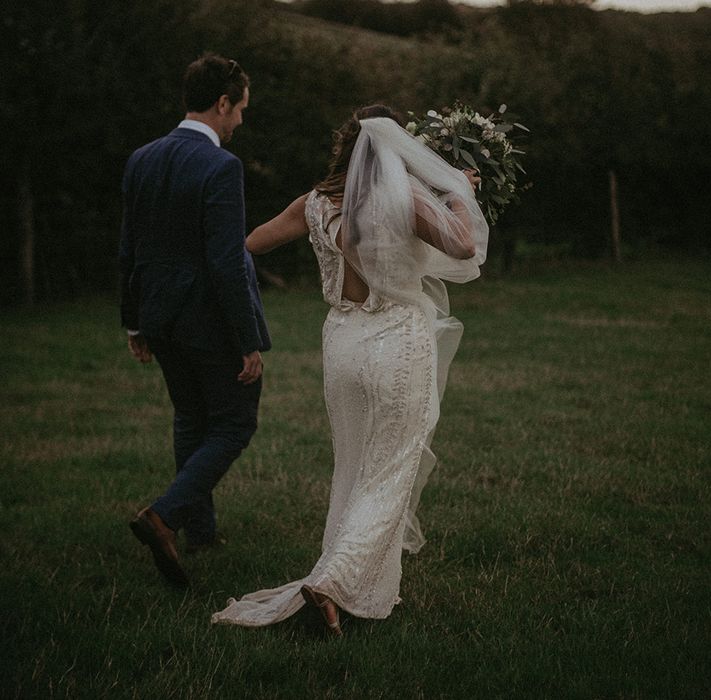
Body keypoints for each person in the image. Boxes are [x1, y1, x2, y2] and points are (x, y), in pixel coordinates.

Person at [211, 104, 488, 635]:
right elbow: (463, 244)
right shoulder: (405, 200)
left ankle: (355, 587)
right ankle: (334, 581)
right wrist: (458, 189)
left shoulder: (312, 204)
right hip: (396, 343)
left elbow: (247, 245)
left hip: (341, 343)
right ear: (397, 150)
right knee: (392, 467)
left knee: (354, 465)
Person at [120, 54, 271, 587]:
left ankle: (198, 533)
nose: (240, 123)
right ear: (222, 103)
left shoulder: (142, 157)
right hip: (206, 320)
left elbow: (129, 247)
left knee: (190, 417)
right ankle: (163, 516)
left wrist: (134, 322)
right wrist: (249, 339)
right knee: (234, 422)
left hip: (159, 317)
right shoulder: (220, 166)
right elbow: (227, 261)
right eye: (239, 110)